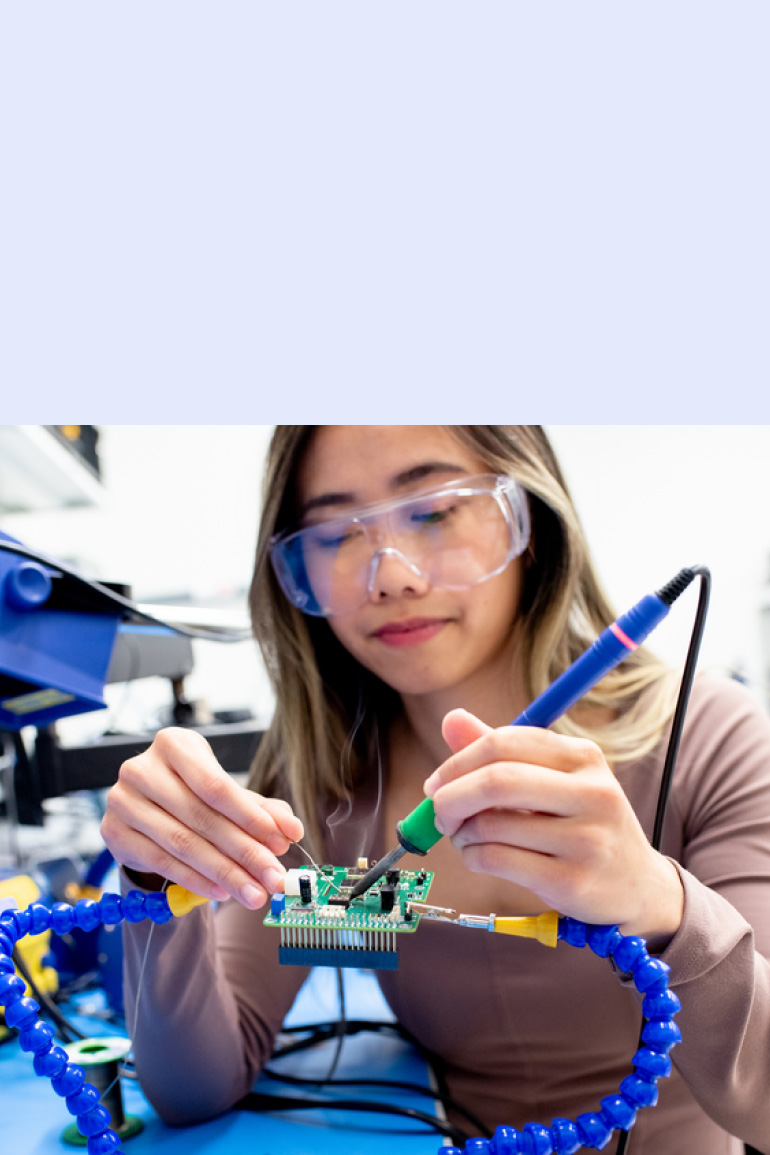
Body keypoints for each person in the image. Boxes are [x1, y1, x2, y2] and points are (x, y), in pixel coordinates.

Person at [100, 425, 770, 1155]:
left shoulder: (710, 740)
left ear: (530, 520)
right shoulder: (330, 792)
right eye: (335, 533)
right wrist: (162, 883)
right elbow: (200, 1085)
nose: (391, 576)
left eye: (434, 510)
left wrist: (661, 904)